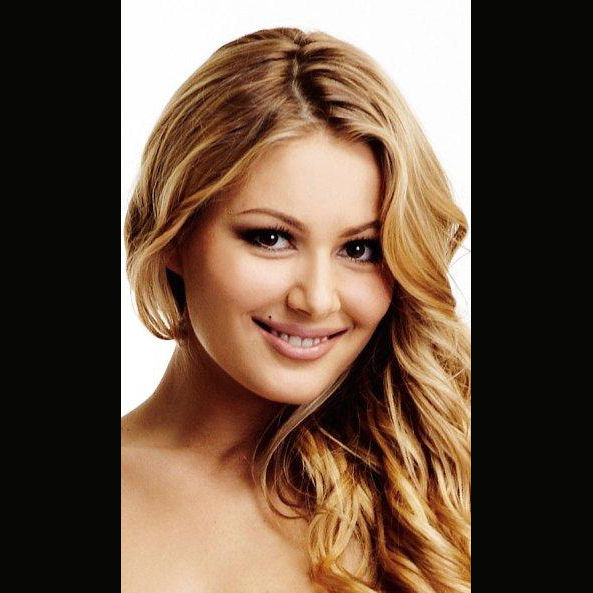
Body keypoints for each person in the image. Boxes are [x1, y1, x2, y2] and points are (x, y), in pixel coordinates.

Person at [121, 27, 471, 593]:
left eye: (360, 250)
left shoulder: (444, 493)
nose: (317, 298)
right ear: (174, 236)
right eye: (271, 238)